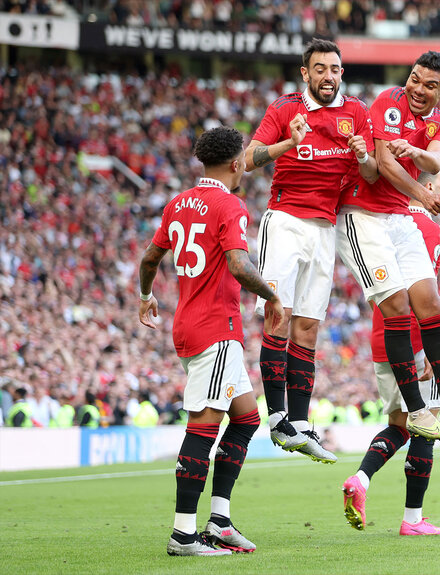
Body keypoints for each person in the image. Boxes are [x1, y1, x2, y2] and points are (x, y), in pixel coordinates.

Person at [138, 126, 287, 557]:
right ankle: (184, 534)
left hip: (188, 323)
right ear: (237, 162)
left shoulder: (177, 203)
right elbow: (239, 266)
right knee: (203, 427)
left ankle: (219, 520)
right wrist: (273, 295)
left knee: (245, 420)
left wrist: (146, 297)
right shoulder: (230, 204)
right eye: (243, 159)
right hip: (215, 330)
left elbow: (150, 258)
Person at [336, 51, 440, 441]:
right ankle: (417, 410)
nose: (417, 88)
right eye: (415, 78)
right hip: (362, 216)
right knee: (397, 305)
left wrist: (420, 155)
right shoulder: (389, 101)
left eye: (429, 85)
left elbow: (436, 159)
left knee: (431, 303)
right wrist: (421, 190)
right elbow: (384, 163)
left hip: (399, 217)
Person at [244, 38, 377, 464]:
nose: (328, 76)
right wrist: (287, 143)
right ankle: (277, 416)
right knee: (278, 315)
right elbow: (248, 159)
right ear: (306, 73)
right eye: (320, 69)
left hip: (325, 228)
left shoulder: (355, 112)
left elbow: (372, 174)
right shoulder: (284, 109)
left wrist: (364, 157)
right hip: (285, 221)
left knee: (308, 328)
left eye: (335, 69)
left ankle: (299, 424)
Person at [342, 171, 440, 536]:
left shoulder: (383, 223)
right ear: (428, 187)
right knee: (424, 428)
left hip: (382, 338)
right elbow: (424, 304)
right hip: (413, 344)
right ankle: (413, 519)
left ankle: (360, 479)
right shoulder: (426, 230)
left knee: (399, 428)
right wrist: (428, 354)